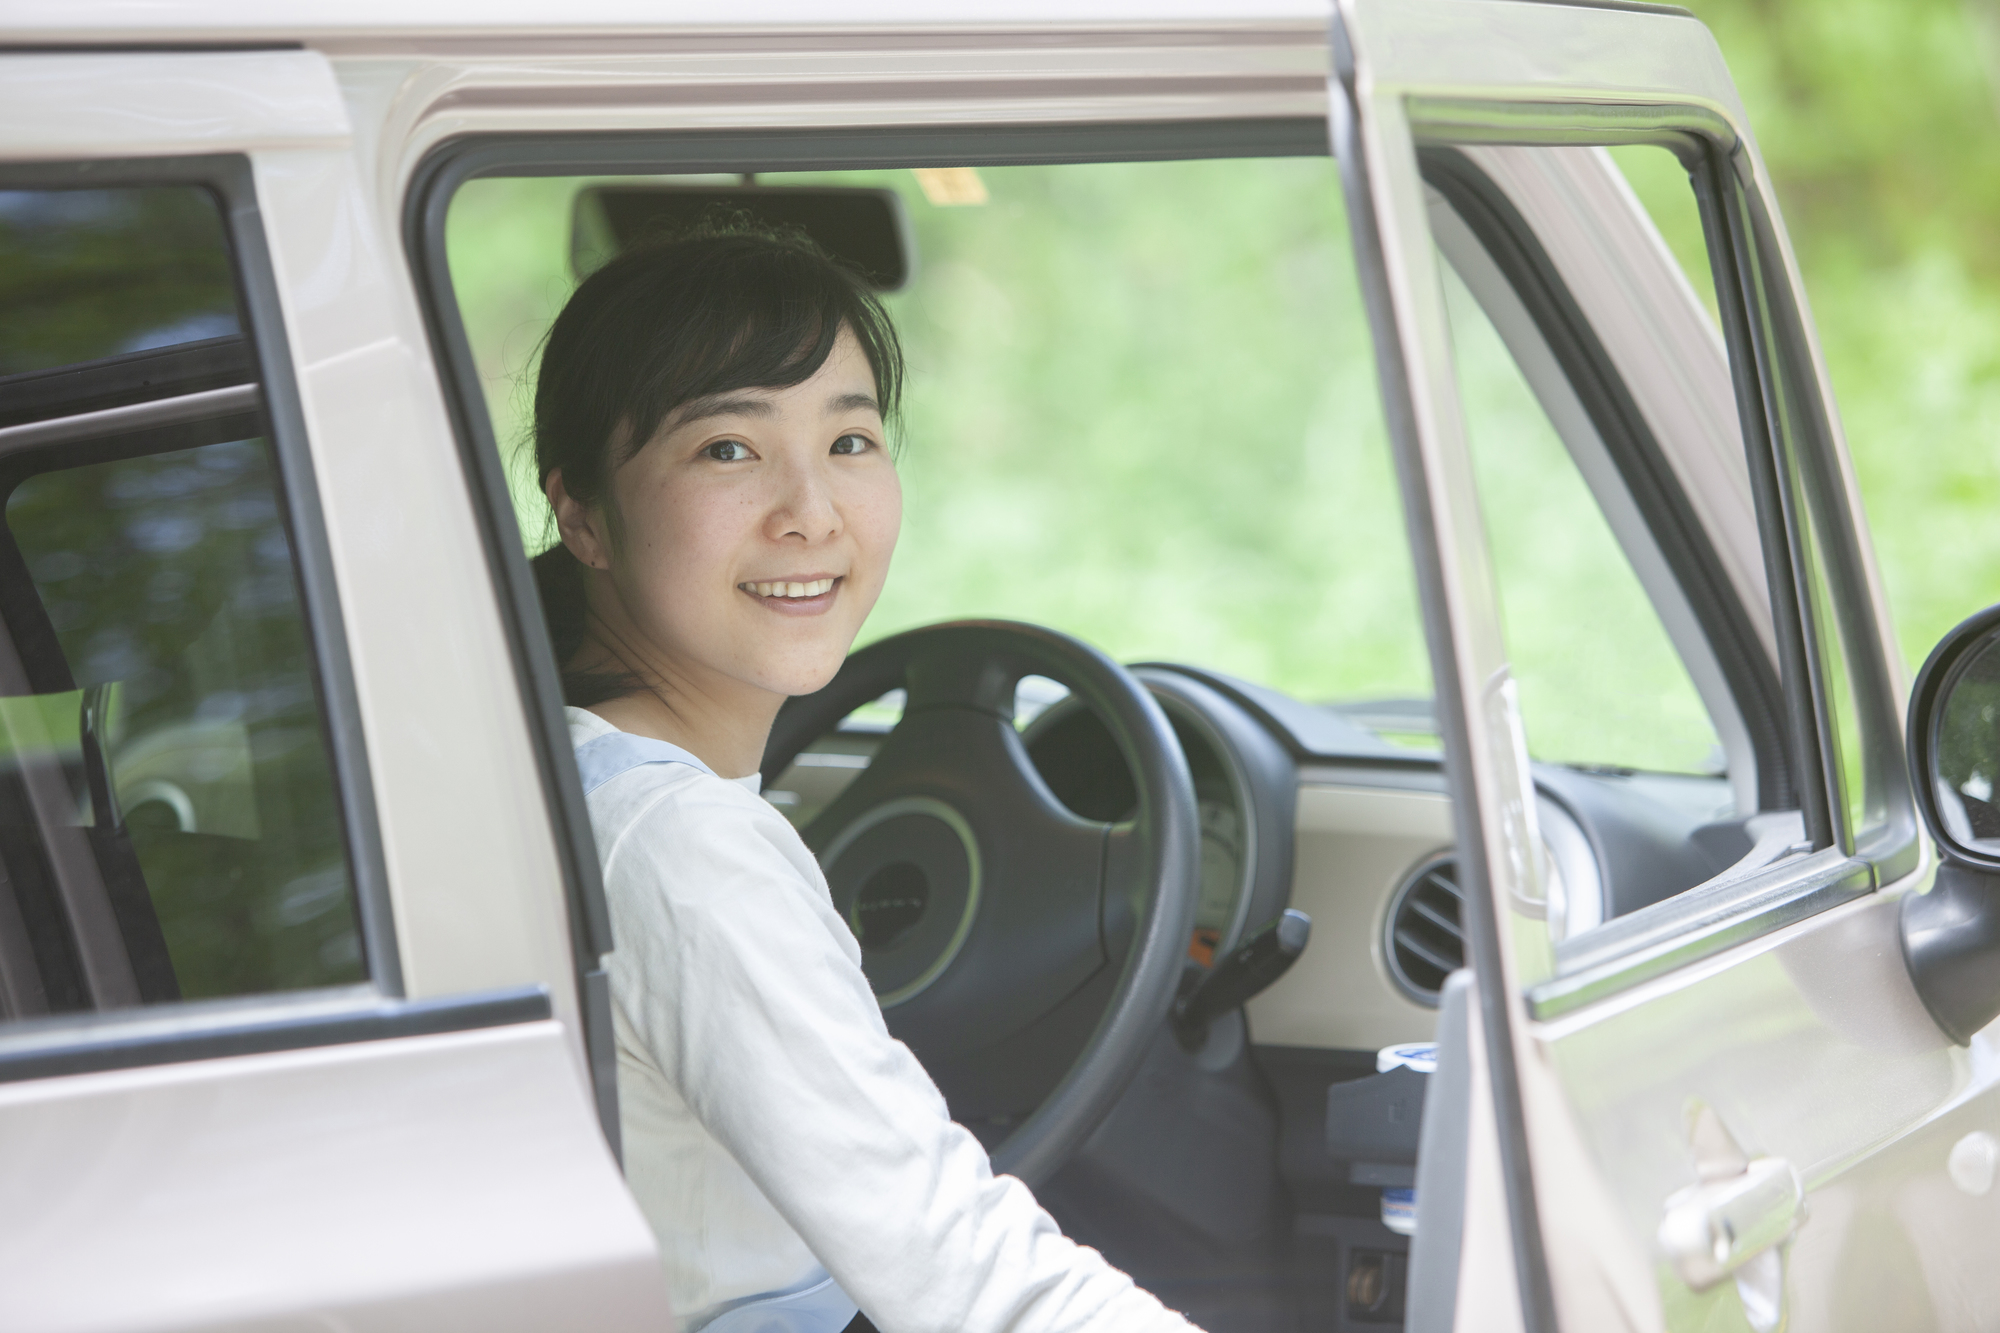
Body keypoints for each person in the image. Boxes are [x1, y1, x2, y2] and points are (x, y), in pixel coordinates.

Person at [530, 227, 1198, 1333]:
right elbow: (963, 1272)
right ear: (584, 513)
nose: (812, 511)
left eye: (848, 439)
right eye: (727, 451)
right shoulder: (677, 846)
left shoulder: (552, 765)